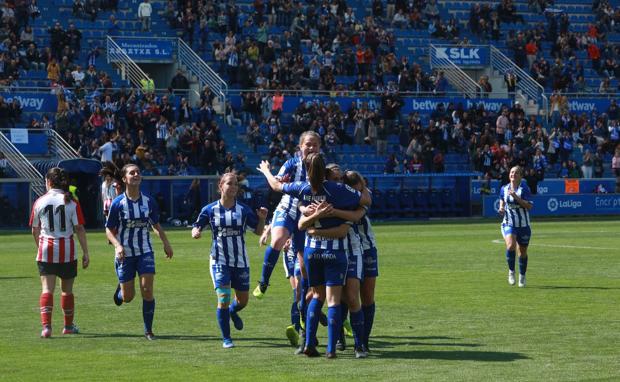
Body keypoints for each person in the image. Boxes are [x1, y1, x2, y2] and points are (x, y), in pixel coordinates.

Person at [257, 153, 371, 358]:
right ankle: (331, 349)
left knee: (316, 296)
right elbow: (365, 199)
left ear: (306, 170)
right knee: (334, 300)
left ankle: (309, 343)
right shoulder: (337, 189)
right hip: (334, 251)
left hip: (311, 251)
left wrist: (266, 170)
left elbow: (276, 187)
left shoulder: (301, 188)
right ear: (325, 170)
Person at [191, 173, 267, 348]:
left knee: (243, 301)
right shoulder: (209, 210)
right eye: (229, 184)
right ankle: (227, 338)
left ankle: (233, 311)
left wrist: (262, 219)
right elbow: (197, 226)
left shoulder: (244, 210)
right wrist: (196, 232)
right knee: (224, 298)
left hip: (240, 261)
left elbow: (257, 231)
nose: (233, 187)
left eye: (235, 184)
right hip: (219, 260)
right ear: (220, 186)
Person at [105, 163, 173, 340]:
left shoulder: (148, 201)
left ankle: (148, 330)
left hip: (145, 251)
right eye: (131, 172)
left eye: (138, 172)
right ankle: (120, 292)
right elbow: (109, 229)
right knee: (128, 297)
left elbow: (155, 224)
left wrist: (166, 243)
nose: (136, 174)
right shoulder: (118, 204)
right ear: (124, 178)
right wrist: (118, 246)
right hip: (125, 253)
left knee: (147, 289)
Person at [253, 131, 321, 299]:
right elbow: (276, 184)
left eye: (315, 145)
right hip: (288, 210)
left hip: (307, 218)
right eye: (308, 144)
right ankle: (263, 282)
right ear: (300, 147)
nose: (311, 147)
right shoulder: (292, 164)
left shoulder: (322, 168)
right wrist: (266, 171)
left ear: (320, 147)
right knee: (277, 240)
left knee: (304, 265)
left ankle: (303, 310)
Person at [30, 167, 90, 338]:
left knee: (47, 289)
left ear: (48, 182)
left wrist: (39, 247)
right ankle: (68, 326)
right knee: (67, 291)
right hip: (67, 250)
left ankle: (46, 327)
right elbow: (79, 228)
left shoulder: (40, 201)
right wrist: (86, 252)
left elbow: (35, 229)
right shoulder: (71, 202)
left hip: (46, 249)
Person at [498, 166, 533, 288]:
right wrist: (501, 207)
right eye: (512, 172)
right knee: (511, 245)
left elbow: (529, 206)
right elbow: (502, 198)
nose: (513, 174)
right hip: (509, 223)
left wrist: (516, 198)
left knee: (522, 252)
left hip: (523, 225)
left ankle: (522, 276)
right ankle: (511, 271)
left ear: (520, 176)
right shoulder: (504, 188)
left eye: (516, 173)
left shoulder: (524, 189)